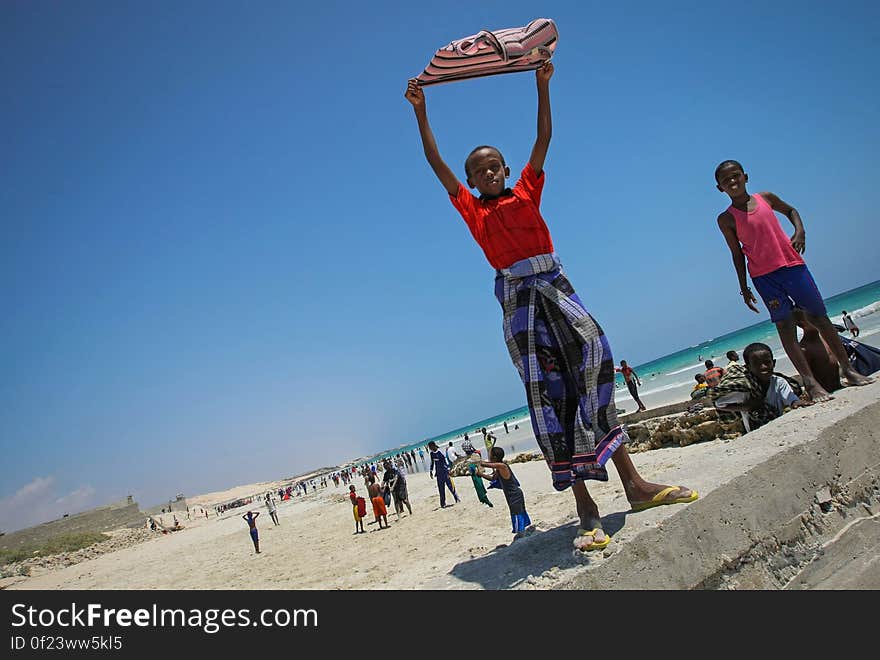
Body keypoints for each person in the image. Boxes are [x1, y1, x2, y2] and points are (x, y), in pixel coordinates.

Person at [405, 61, 696, 553]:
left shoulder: (526, 190)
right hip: (520, 304)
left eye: (493, 165)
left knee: (594, 370)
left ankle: (636, 486)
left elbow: (544, 136)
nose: (486, 172)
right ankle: (585, 508)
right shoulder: (473, 210)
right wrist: (421, 111)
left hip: (558, 289)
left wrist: (542, 86)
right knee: (551, 399)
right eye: (477, 171)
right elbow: (436, 164)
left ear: (505, 168)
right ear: (472, 181)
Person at [714, 159, 874, 402]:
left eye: (736, 176)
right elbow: (737, 254)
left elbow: (791, 211)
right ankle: (810, 383)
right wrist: (743, 287)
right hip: (763, 277)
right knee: (785, 327)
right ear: (720, 189)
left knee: (820, 319)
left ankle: (849, 370)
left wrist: (800, 232)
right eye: (726, 181)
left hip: (793, 267)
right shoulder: (726, 219)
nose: (732, 182)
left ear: (745, 176)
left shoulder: (766, 198)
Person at [715, 342, 810, 432]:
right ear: (747, 367)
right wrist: (747, 407)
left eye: (767, 362)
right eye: (756, 364)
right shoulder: (746, 388)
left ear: (774, 363)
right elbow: (719, 404)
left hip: (778, 425)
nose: (763, 367)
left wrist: (796, 402)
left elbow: (791, 399)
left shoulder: (778, 382)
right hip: (755, 431)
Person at [478, 447, 532, 535]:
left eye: (490, 455)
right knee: (518, 513)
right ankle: (524, 533)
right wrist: (481, 474)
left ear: (494, 458)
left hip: (515, 495)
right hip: (512, 495)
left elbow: (485, 464)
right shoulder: (499, 469)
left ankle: (521, 534)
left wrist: (476, 461)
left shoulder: (502, 466)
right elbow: (492, 478)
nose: (489, 457)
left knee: (517, 515)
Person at [793, 309, 842, 394]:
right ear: (802, 323)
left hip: (838, 385)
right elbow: (806, 376)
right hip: (825, 390)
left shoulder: (824, 337)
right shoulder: (804, 348)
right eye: (812, 318)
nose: (817, 319)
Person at [427, 440, 459, 507]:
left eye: (430, 447)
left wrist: (448, 470)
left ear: (433, 446)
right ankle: (443, 503)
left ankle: (457, 498)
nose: (429, 449)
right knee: (441, 489)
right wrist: (430, 471)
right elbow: (432, 462)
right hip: (438, 474)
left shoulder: (440, 452)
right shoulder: (432, 454)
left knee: (450, 486)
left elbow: (446, 462)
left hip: (445, 472)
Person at [461, 439, 493, 507]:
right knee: (480, 486)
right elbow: (480, 462)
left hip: (475, 474)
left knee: (479, 486)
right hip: (477, 473)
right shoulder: (475, 455)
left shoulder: (468, 458)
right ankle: (484, 499)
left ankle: (484, 499)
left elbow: (469, 466)